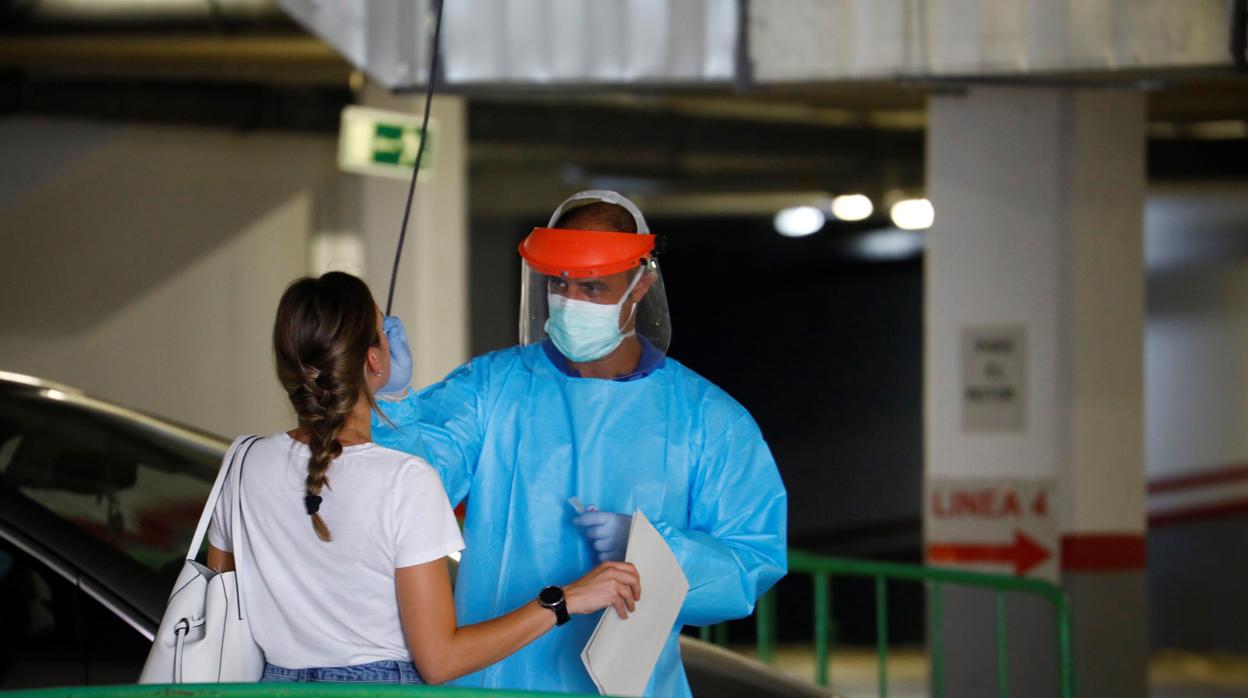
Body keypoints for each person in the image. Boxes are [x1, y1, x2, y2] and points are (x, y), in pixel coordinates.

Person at [374, 191, 788, 696]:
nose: (571, 303)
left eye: (592, 287)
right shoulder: (490, 388)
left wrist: (655, 552)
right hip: (490, 681)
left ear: (641, 284)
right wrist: (391, 403)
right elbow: (404, 491)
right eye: (560, 284)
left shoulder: (708, 420)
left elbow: (749, 564)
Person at [204, 271, 640, 685]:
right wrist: (565, 601)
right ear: (375, 361)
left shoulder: (243, 463)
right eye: (382, 328)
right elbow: (440, 660)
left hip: (271, 687)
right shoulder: (406, 479)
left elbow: (219, 603)